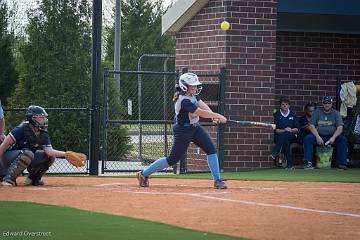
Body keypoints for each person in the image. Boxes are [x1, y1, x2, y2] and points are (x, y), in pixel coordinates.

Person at [136, 72, 228, 189]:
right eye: (193, 85)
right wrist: (217, 115)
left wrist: (214, 116)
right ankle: (143, 174)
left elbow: (202, 105)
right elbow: (199, 112)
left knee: (211, 150)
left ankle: (217, 180)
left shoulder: (193, 95)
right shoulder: (183, 100)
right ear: (185, 86)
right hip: (182, 131)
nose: (195, 88)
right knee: (173, 159)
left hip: (195, 128)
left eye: (196, 85)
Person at [0, 105, 68, 186]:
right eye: (41, 117)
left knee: (50, 156)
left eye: (44, 117)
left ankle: (33, 179)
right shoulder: (21, 129)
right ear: (32, 118)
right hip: (7, 158)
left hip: (26, 156)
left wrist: (66, 154)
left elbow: (50, 151)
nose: (44, 119)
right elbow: (3, 146)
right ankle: (8, 180)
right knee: (28, 153)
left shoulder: (42, 132)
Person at [303, 96, 348, 169]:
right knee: (308, 139)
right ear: (322, 104)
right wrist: (317, 137)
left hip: (332, 136)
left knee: (343, 139)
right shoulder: (316, 112)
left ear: (331, 103)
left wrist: (333, 138)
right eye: (325, 103)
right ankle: (308, 162)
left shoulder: (336, 113)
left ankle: (341, 163)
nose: (327, 105)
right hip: (319, 136)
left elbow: (340, 128)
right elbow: (311, 126)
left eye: (329, 103)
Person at [271, 96, 299, 169]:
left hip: (292, 136)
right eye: (283, 104)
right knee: (285, 139)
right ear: (280, 105)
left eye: (286, 104)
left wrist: (290, 130)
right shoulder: (276, 115)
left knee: (286, 135)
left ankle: (276, 151)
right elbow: (276, 130)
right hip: (279, 136)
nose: (285, 106)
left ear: (289, 105)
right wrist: (285, 130)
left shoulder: (293, 114)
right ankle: (290, 164)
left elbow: (297, 129)